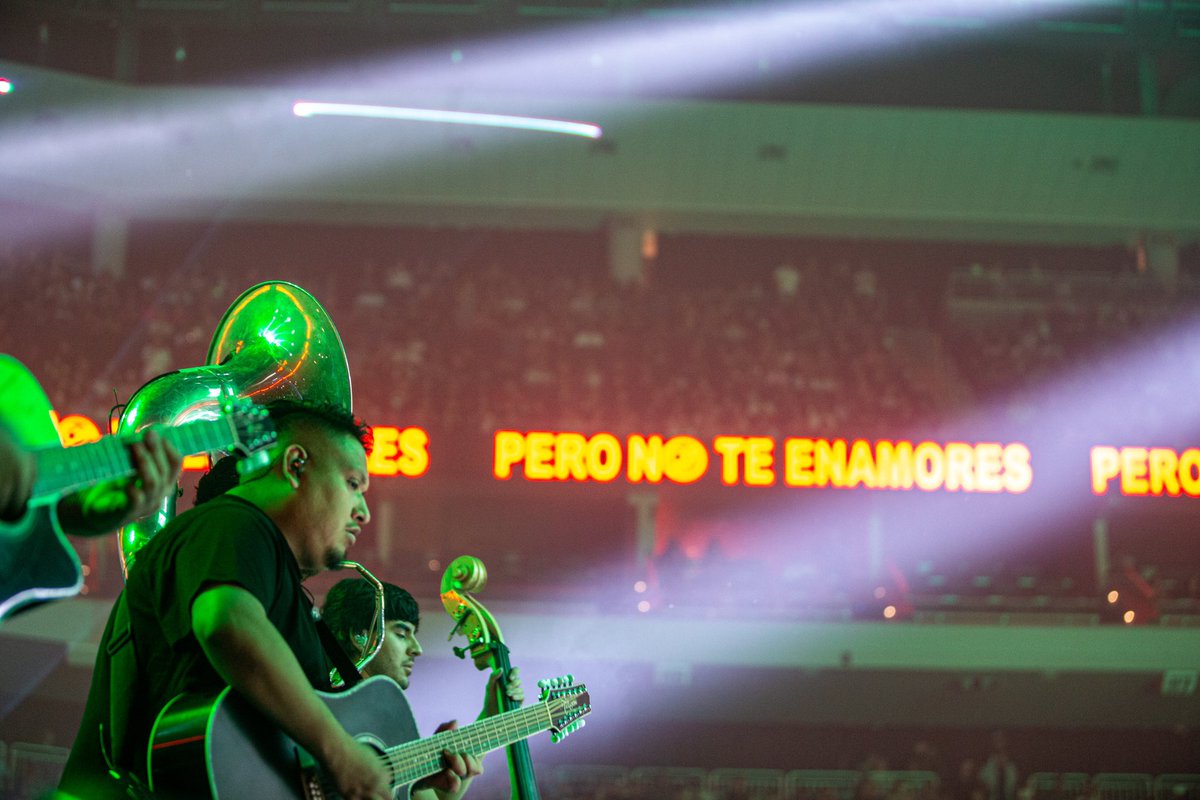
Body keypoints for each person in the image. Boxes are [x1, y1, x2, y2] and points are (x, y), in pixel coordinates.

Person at [58, 400, 471, 800]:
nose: (363, 510)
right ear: (295, 466)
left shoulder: (272, 574)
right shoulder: (232, 522)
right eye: (352, 484)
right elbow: (226, 623)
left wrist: (404, 772)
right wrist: (341, 752)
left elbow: (283, 761)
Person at [321, 578, 525, 800]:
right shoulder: (321, 703)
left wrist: (491, 715)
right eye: (401, 634)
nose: (417, 649)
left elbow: (434, 798)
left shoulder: (387, 721)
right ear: (360, 636)